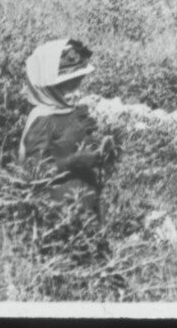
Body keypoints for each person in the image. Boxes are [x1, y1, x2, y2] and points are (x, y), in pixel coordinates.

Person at [18, 37, 114, 227]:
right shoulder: (43, 119)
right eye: (68, 81)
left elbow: (75, 147)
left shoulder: (68, 111)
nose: (77, 83)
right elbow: (35, 171)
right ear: (49, 86)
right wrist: (75, 162)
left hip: (85, 206)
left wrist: (102, 152)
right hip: (59, 214)